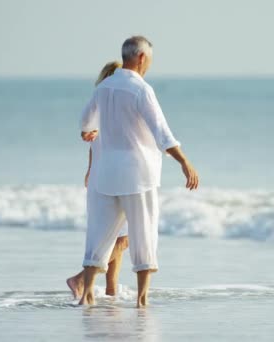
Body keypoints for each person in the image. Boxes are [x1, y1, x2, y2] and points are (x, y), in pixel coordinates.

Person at [79, 36, 199, 307]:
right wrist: (184, 162)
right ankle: (142, 300)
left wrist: (91, 131)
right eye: (150, 60)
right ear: (142, 57)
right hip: (137, 174)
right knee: (144, 234)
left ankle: (86, 295)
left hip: (105, 174)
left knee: (98, 235)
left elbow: (86, 123)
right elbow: (162, 132)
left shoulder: (104, 87)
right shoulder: (141, 89)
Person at [66, 61, 129, 299]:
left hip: (104, 176)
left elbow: (93, 142)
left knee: (118, 237)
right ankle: (80, 279)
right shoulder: (111, 107)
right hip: (115, 178)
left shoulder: (103, 106)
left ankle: (111, 290)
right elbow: (94, 139)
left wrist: (90, 169)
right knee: (123, 239)